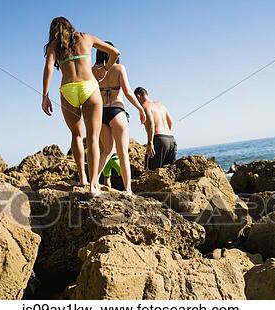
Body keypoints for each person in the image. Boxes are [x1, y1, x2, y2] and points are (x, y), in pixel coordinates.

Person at [41, 17, 120, 197]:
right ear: (70, 26)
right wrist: (106, 68)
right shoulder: (85, 37)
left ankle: (82, 178)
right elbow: (115, 52)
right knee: (93, 138)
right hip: (89, 87)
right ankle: (93, 185)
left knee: (76, 135)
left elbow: (48, 68)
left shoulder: (55, 45)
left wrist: (45, 95)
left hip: (68, 89)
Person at [92, 42, 146, 193]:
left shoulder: (92, 71)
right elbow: (128, 92)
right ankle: (128, 189)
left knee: (107, 150)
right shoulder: (119, 68)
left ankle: (94, 182)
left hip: (101, 113)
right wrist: (140, 108)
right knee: (122, 153)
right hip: (117, 111)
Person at [134, 87, 177, 170]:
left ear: (138, 96)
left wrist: (150, 143)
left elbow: (151, 124)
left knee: (149, 172)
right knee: (169, 172)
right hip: (171, 140)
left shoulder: (145, 107)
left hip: (159, 140)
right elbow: (170, 122)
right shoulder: (160, 105)